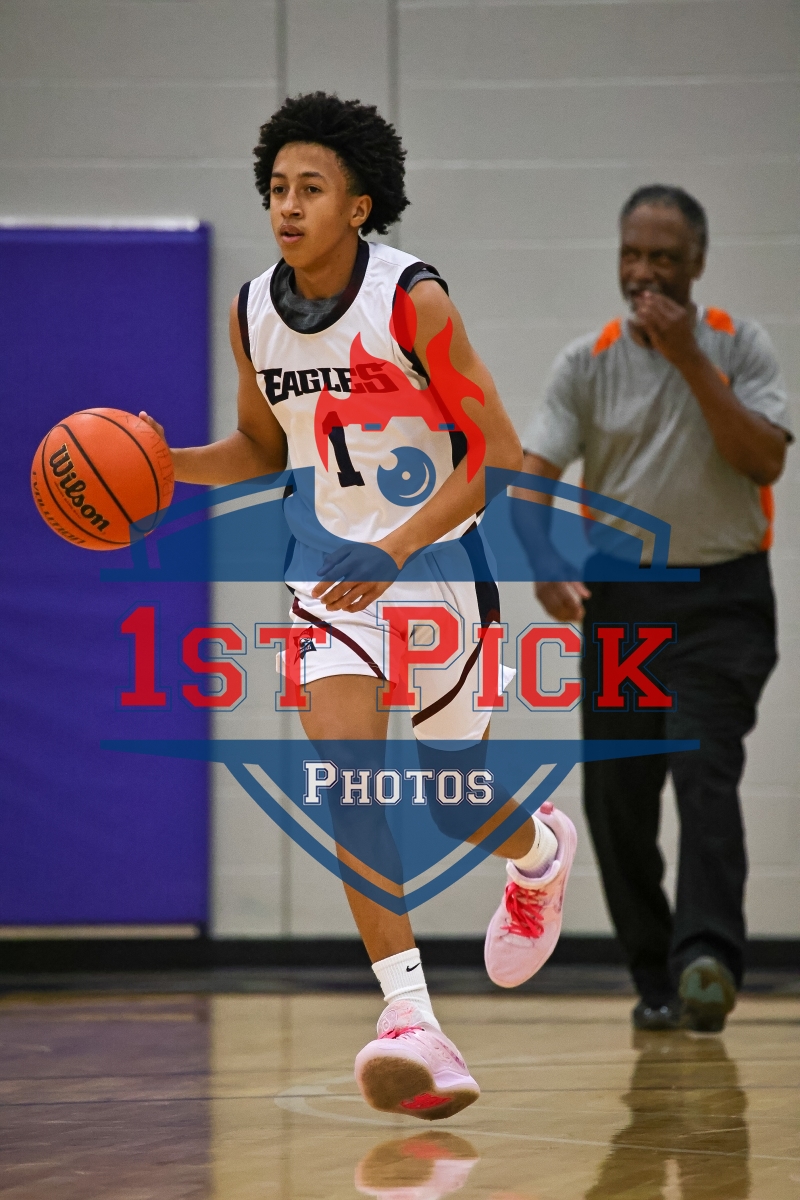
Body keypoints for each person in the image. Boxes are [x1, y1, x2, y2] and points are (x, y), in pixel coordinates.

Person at [140, 92, 577, 1117]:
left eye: (311, 189)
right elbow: (263, 448)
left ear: (358, 205)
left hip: (436, 566)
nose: (287, 207)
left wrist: (397, 547)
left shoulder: (411, 300)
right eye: (276, 189)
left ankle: (540, 855)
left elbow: (495, 455)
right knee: (349, 783)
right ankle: (411, 1020)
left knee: (453, 796)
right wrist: (165, 465)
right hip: (326, 579)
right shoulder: (252, 311)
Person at [520, 184, 791, 1032]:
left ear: (697, 264)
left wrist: (689, 359)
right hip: (624, 599)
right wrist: (544, 563)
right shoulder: (586, 362)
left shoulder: (741, 346)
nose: (644, 273)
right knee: (617, 801)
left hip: (722, 597)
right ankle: (657, 975)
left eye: (664, 259)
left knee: (703, 765)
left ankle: (707, 959)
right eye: (632, 256)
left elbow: (763, 461)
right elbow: (531, 481)